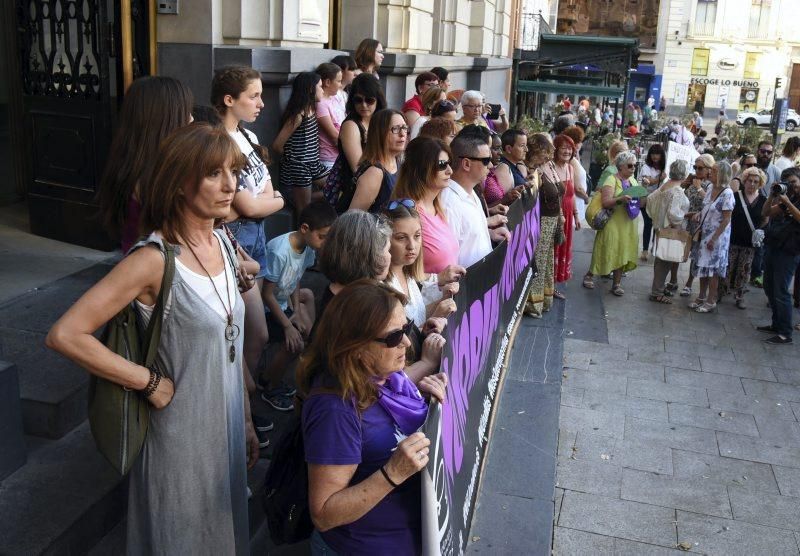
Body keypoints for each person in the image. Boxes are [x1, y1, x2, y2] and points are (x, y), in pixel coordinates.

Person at [47, 123, 258, 554]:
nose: (229, 185)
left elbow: (230, 347)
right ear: (179, 183)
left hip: (228, 426)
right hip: (179, 437)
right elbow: (66, 334)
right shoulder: (151, 259)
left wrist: (248, 419)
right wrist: (146, 381)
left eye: (232, 171)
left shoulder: (220, 239)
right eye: (213, 173)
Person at [299, 279, 448, 555]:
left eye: (405, 328)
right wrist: (393, 472)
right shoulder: (335, 410)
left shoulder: (387, 379)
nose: (405, 341)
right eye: (393, 337)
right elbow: (323, 513)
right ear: (355, 347)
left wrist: (428, 400)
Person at [97, 76, 193, 253]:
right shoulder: (160, 176)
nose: (191, 119)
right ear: (166, 120)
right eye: (185, 112)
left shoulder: (130, 165)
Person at [258, 201, 336, 411]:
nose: (324, 242)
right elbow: (265, 294)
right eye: (322, 236)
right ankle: (268, 385)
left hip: (282, 301)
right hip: (265, 308)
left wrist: (296, 311)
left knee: (303, 320)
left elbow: (295, 280)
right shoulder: (280, 252)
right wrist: (287, 325)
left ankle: (309, 346)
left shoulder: (308, 247)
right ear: (304, 229)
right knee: (294, 344)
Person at [384, 200, 459, 327]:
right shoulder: (382, 287)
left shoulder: (407, 273)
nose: (411, 246)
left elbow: (418, 316)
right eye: (401, 238)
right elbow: (402, 342)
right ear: (385, 240)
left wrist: (444, 298)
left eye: (417, 236)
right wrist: (437, 313)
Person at [442, 130, 510, 267]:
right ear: (466, 164)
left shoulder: (471, 191)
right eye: (485, 161)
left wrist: (489, 233)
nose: (491, 166)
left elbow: (467, 235)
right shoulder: (449, 203)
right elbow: (448, 261)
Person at [392, 137, 460, 274]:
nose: (449, 171)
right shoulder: (408, 212)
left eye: (449, 163)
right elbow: (398, 272)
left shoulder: (438, 206)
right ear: (422, 168)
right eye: (442, 164)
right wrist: (437, 281)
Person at [584, 151, 641, 294]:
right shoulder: (611, 179)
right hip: (612, 222)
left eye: (635, 165)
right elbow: (606, 202)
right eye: (630, 165)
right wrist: (620, 200)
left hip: (627, 223)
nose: (633, 168)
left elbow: (641, 202)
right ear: (620, 166)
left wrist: (644, 191)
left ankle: (616, 284)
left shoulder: (633, 181)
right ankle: (590, 274)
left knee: (622, 252)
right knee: (604, 248)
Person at [272, 71, 329, 214]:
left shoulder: (312, 110)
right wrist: (294, 161)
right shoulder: (298, 115)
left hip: (314, 165)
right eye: (320, 87)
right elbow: (277, 145)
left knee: (338, 187)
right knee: (304, 211)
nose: (323, 90)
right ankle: (295, 199)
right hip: (298, 169)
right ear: (310, 89)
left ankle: (301, 198)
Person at [757, 167, 800, 344]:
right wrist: (772, 196)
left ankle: (785, 333)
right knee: (769, 287)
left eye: (794, 183)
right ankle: (776, 324)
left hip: (789, 251)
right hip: (774, 245)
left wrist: (788, 203)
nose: (791, 186)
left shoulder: (792, 200)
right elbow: (766, 213)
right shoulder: (789, 197)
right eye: (788, 183)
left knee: (781, 291)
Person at [688, 161, 735, 313]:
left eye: (714, 171)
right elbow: (706, 207)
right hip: (705, 234)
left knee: (713, 270)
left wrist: (714, 239)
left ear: (722, 174)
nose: (710, 173)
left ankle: (711, 300)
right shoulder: (709, 187)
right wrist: (698, 215)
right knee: (702, 265)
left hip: (717, 237)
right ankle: (701, 297)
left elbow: (727, 219)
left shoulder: (727, 193)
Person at [525, 133, 561, 316]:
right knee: (538, 261)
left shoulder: (540, 169)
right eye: (544, 152)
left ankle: (544, 300)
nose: (548, 156)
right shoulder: (529, 171)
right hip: (540, 222)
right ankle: (533, 302)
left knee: (545, 262)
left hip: (549, 221)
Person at [721, 167, 767, 309]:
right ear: (744, 181)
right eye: (749, 181)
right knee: (728, 267)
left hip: (749, 243)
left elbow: (766, 219)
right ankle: (721, 292)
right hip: (733, 239)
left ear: (760, 183)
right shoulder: (735, 196)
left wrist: (758, 231)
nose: (752, 184)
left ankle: (740, 296)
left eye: (755, 181)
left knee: (745, 269)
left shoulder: (764, 200)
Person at [646, 160, 690, 303]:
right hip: (669, 229)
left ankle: (658, 287)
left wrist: (657, 218)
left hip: (659, 227)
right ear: (684, 174)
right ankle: (657, 292)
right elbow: (674, 215)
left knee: (661, 259)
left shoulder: (664, 186)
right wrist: (684, 216)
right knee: (664, 261)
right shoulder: (677, 191)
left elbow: (650, 200)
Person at [349, 109, 407, 213]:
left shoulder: (398, 163)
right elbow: (353, 219)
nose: (402, 134)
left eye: (404, 128)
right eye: (395, 129)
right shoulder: (374, 173)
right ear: (380, 133)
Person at [680, 154, 715, 297]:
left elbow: (710, 203)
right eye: (695, 167)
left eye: (700, 168)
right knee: (682, 253)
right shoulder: (693, 180)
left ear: (709, 169)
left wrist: (699, 188)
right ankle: (674, 280)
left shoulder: (711, 185)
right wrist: (684, 185)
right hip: (686, 223)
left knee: (695, 256)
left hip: (699, 225)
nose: (697, 170)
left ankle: (689, 284)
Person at [551, 134, 580, 297]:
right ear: (556, 149)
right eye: (563, 147)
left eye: (570, 148)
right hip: (556, 215)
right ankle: (550, 285)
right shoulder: (550, 167)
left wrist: (576, 215)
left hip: (568, 215)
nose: (567, 151)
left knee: (564, 247)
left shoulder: (570, 167)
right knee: (554, 248)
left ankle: (555, 283)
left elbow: (572, 194)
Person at [315, 62, 346, 171]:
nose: (340, 85)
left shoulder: (334, 98)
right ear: (328, 82)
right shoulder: (321, 104)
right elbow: (333, 136)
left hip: (339, 157)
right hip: (329, 160)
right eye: (338, 81)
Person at [639, 144, 667, 261]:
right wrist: (659, 178)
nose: (655, 156)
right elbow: (648, 182)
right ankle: (645, 249)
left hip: (659, 200)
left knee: (658, 225)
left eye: (658, 154)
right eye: (653, 154)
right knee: (648, 224)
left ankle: (654, 248)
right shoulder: (646, 167)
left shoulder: (664, 168)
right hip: (647, 199)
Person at [483, 132, 520, 207]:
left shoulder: (492, 169)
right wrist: (504, 200)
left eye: (500, 148)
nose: (500, 153)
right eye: (496, 148)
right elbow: (481, 210)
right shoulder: (479, 174)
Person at [561, 126, 590, 220]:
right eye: (580, 141)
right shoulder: (571, 161)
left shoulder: (572, 159)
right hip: (575, 203)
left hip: (575, 203)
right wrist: (586, 198)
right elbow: (577, 188)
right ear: (576, 143)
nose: (582, 144)